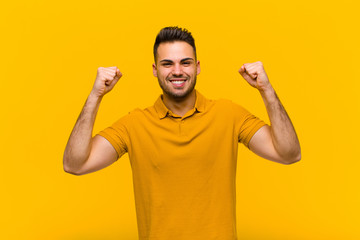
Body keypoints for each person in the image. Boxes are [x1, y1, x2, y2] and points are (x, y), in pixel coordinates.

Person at [63, 26, 301, 240]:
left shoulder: (229, 115)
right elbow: (75, 164)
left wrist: (265, 89)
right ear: (156, 70)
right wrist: (95, 96)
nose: (177, 71)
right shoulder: (134, 124)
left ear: (197, 67)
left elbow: (289, 154)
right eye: (168, 64)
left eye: (185, 62)